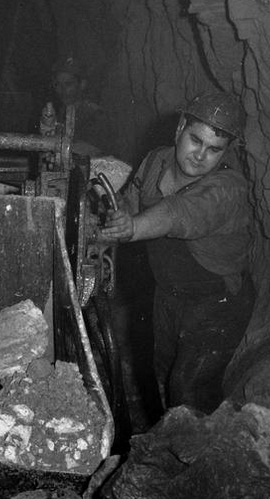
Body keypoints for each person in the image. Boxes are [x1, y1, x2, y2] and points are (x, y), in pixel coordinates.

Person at [98, 91, 254, 414]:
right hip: (169, 295)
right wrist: (112, 219)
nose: (200, 155)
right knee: (161, 374)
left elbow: (178, 213)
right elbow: (131, 200)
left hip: (217, 304)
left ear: (227, 152)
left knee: (188, 389)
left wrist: (132, 229)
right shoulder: (157, 161)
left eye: (214, 150)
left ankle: (200, 457)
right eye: (195, 140)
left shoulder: (228, 188)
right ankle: (164, 451)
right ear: (180, 127)